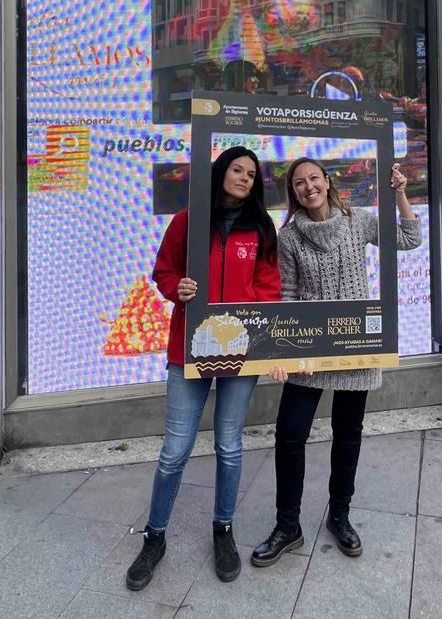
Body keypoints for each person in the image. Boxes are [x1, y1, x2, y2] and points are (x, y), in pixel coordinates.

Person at [251, 158, 422, 566]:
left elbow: (410, 238)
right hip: (308, 351)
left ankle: (339, 516)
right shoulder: (289, 237)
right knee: (290, 435)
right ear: (293, 194)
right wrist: (285, 352)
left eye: (314, 178)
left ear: (327, 182)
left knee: (349, 434)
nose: (308, 187)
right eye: (298, 183)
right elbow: (288, 298)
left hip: (355, 346)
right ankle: (287, 525)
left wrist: (399, 193)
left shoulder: (357, 221)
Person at [126, 146, 281, 591]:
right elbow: (163, 271)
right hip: (188, 350)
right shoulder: (187, 220)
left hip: (240, 353)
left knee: (230, 446)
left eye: (252, 174)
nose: (245, 178)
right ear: (221, 172)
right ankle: (155, 538)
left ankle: (224, 531)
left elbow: (268, 289)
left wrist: (260, 336)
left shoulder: (261, 227)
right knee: (175, 451)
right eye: (237, 170)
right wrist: (180, 289)